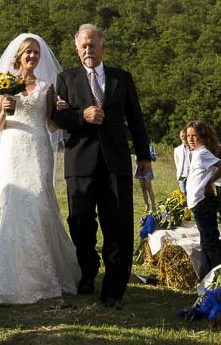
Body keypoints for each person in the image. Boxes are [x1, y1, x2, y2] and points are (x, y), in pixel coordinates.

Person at [0, 34, 79, 306]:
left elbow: (52, 126)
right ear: (18, 56)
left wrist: (63, 110)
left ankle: (44, 269)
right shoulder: (4, 84)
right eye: (28, 52)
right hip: (13, 147)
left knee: (40, 195)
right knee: (12, 199)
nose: (32, 56)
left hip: (39, 147)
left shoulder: (46, 87)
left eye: (36, 53)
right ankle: (9, 270)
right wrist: (4, 109)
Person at [51, 24, 151, 309]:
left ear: (102, 47)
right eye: (83, 46)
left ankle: (114, 288)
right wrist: (82, 116)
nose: (88, 50)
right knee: (80, 222)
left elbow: (136, 120)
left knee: (117, 224)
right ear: (76, 49)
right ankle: (87, 272)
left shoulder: (122, 78)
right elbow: (59, 119)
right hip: (79, 162)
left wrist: (143, 156)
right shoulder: (65, 80)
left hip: (115, 162)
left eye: (92, 45)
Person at [183, 120, 221, 279]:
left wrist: (209, 181)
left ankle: (214, 274)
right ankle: (210, 274)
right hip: (198, 202)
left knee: (209, 241)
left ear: (204, 136)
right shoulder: (197, 153)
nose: (191, 139)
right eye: (188, 136)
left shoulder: (203, 153)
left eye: (195, 135)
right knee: (206, 239)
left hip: (203, 201)